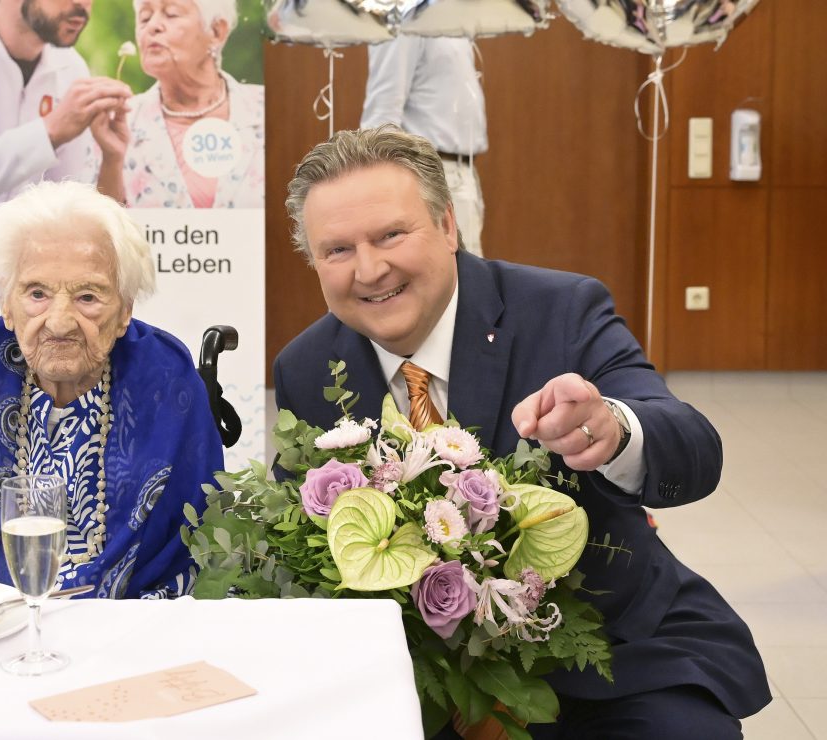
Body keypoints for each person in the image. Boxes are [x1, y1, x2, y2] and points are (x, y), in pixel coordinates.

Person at [274, 126, 771, 737]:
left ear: (448, 226)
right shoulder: (307, 368)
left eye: (391, 235)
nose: (370, 269)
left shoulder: (561, 310)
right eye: (337, 250)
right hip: (423, 678)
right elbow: (299, 543)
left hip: (610, 652)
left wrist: (613, 430)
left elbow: (692, 446)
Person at [0, 180, 223, 599]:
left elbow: (192, 548)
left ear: (125, 311)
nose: (60, 322)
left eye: (88, 297)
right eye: (37, 294)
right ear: (7, 305)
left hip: (132, 615)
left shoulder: (167, 385)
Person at [91, 0, 264, 208]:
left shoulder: (270, 110)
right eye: (144, 17)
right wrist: (111, 160)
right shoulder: (117, 124)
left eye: (171, 14)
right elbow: (100, 222)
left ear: (216, 31)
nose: (152, 26)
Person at [0, 0, 131, 206]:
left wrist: (111, 159)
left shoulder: (71, 69)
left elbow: (68, 203)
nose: (83, 3)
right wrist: (49, 132)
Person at [361, 37, 487, 256]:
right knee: (448, 269)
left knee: (468, 270)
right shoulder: (404, 23)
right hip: (428, 172)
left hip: (461, 171)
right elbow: (381, 116)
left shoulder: (452, 25)